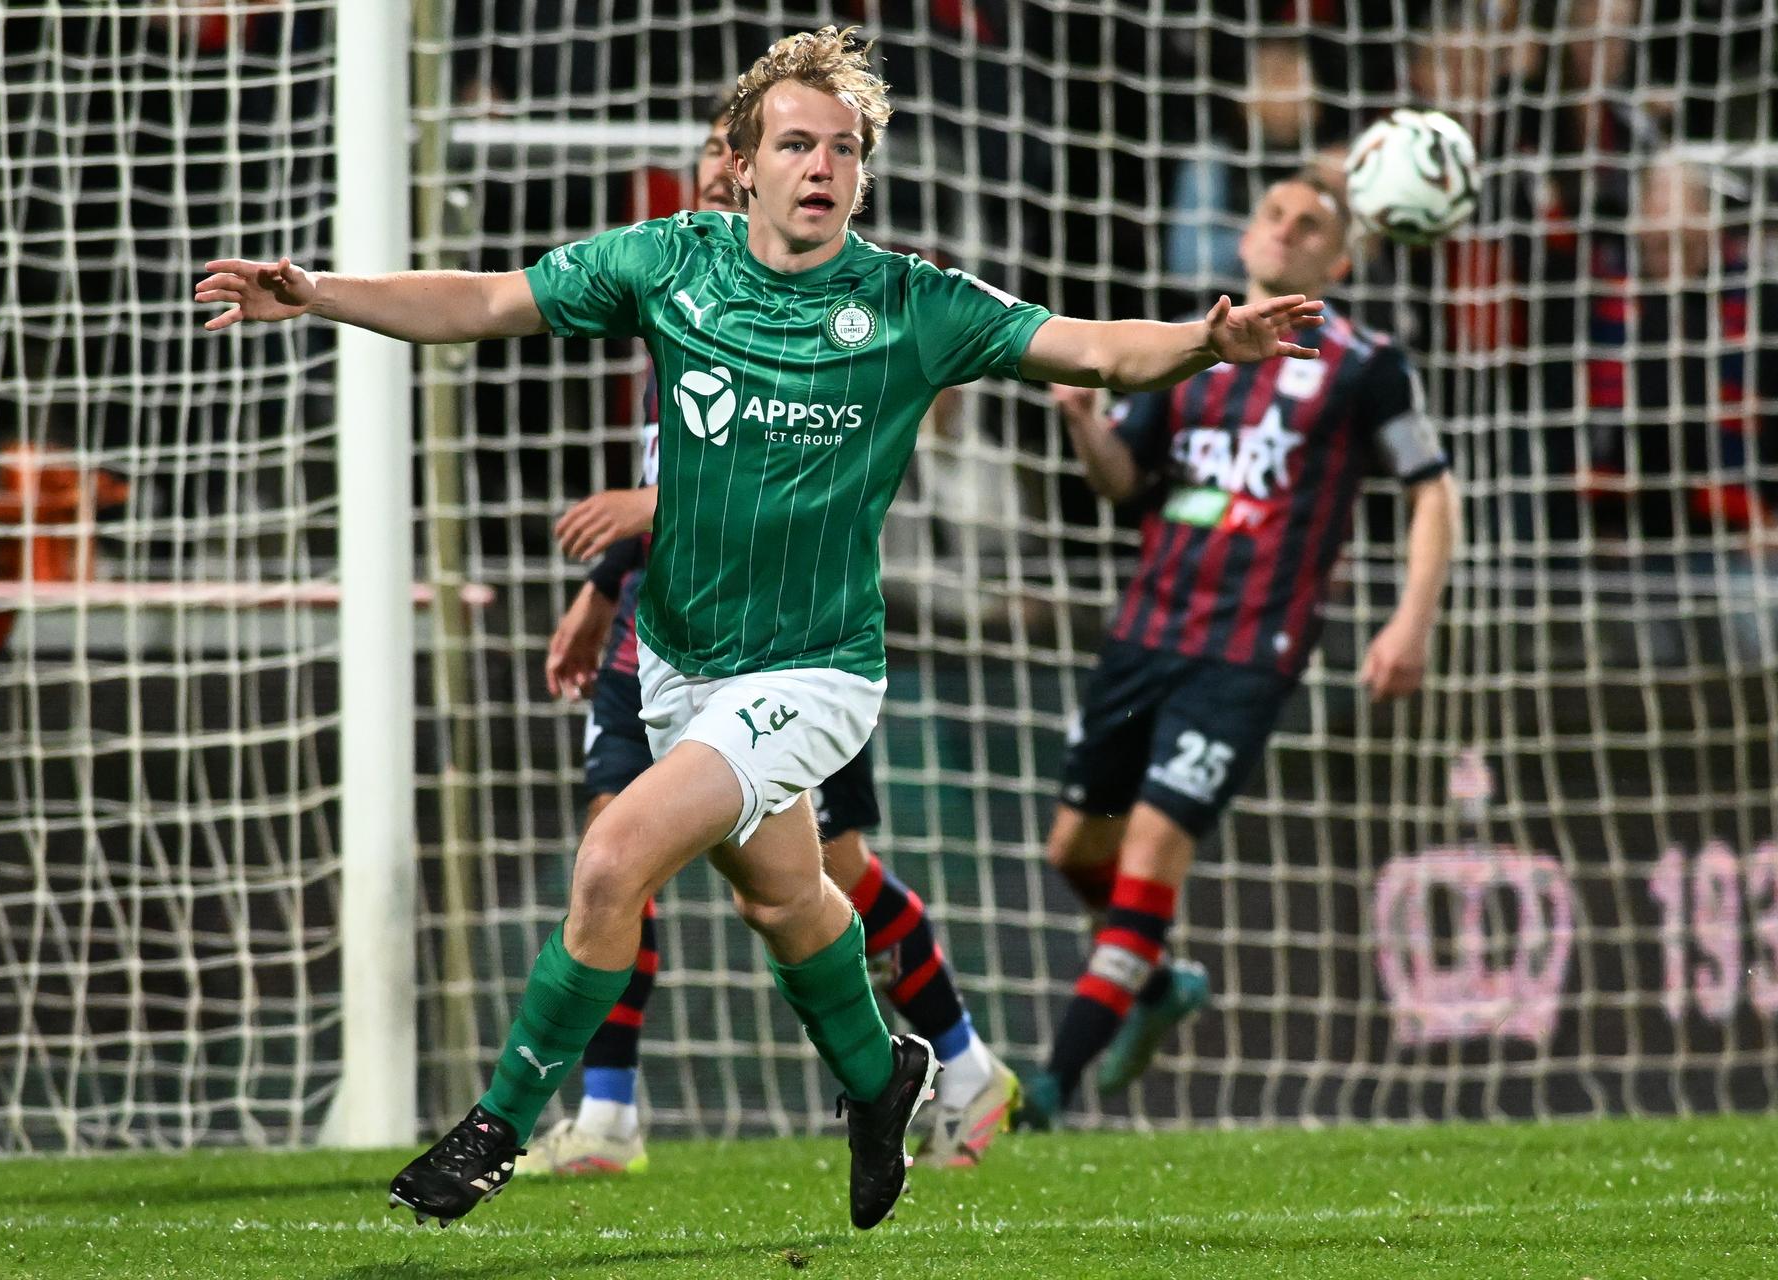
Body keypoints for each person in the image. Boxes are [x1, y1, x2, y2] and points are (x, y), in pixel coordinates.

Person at [195, 26, 1321, 1230]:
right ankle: (884, 1070)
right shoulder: (670, 262)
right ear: (741, 160)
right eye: (796, 142)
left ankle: (500, 1123)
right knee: (788, 904)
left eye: (844, 149)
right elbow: (481, 299)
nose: (822, 165)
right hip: (682, 655)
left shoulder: (911, 302)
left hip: (816, 668)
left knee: (614, 855)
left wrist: (1208, 338)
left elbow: (1093, 348)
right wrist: (320, 295)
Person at [530, 100, 1018, 1178]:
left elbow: (764, 481)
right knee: (621, 843)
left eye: (821, 151)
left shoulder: (824, 297)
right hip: (662, 627)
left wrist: (641, 513)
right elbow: (691, 465)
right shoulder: (677, 281)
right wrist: (606, 587)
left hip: (791, 632)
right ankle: (606, 1109)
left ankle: (963, 1057)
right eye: (723, 157)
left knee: (821, 875)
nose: (721, 176)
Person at [1021, 172, 1456, 1127]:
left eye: (1312, 226)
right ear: (1247, 238)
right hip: (1146, 630)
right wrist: (1087, 425)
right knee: (1072, 849)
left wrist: (1410, 619)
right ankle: (1160, 980)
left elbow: (1432, 486)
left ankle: (1048, 1088)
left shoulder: (1368, 364)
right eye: (1274, 215)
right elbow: (1125, 488)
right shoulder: (1193, 350)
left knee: (1151, 844)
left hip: (1249, 652)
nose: (1288, 232)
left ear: (1338, 263)